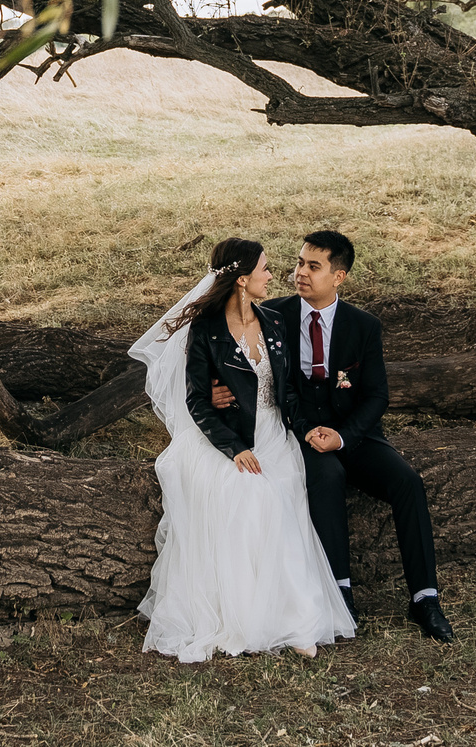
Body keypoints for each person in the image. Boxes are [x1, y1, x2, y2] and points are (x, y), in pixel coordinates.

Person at [130, 236, 357, 662]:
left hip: (272, 434)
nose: (274, 276)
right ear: (241, 279)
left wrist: (305, 430)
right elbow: (197, 400)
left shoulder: (272, 322)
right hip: (225, 439)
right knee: (249, 494)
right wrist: (233, 448)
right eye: (266, 269)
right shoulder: (206, 331)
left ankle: (295, 618)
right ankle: (248, 616)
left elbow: (286, 391)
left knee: (282, 493)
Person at [227, 230, 455, 642]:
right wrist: (218, 386)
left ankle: (425, 598)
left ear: (339, 276)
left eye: (313, 266)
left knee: (408, 482)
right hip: (299, 431)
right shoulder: (272, 316)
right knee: (326, 478)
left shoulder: (363, 326)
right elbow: (239, 357)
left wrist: (344, 436)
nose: (300, 273)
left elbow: (377, 394)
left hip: (354, 434)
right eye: (299, 263)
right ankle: (339, 593)